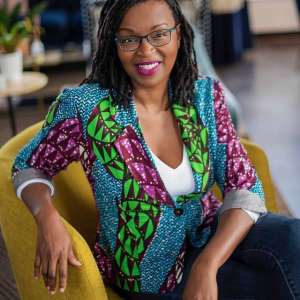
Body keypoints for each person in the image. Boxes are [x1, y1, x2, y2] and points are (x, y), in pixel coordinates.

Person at [11, 0, 300, 299]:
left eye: (159, 34)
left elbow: (244, 187)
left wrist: (207, 264)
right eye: (129, 39)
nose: (146, 50)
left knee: (293, 239)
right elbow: (28, 165)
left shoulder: (204, 96)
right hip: (147, 272)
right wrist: (46, 217)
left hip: (210, 237)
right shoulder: (87, 108)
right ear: (113, 43)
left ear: (179, 35)